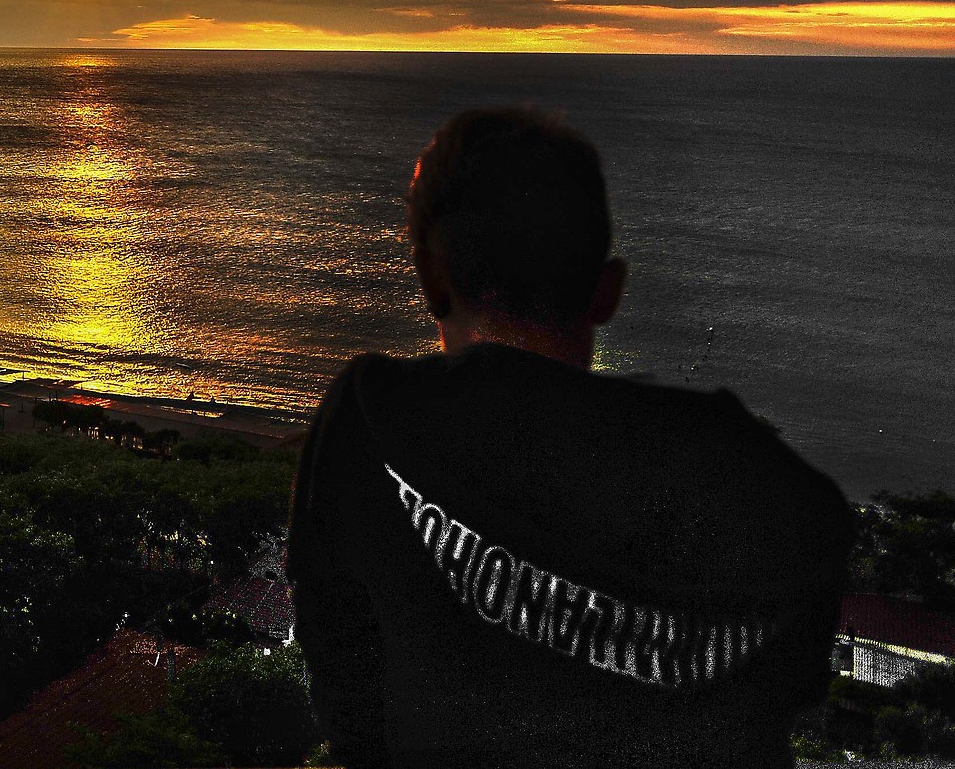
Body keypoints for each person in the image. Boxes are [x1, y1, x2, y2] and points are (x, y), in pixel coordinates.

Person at [287, 108, 852, 768]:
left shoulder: (369, 417)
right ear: (607, 291)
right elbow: (795, 670)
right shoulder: (747, 473)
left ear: (431, 279)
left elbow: (345, 690)